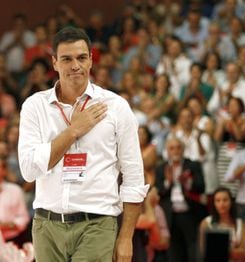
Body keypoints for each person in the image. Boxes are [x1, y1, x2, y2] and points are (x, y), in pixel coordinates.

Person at [18, 27, 148, 261]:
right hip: (46, 226)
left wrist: (126, 237)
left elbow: (134, 178)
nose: (75, 65)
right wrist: (73, 131)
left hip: (97, 224)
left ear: (90, 61)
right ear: (55, 62)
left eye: (81, 58)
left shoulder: (116, 107)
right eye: (67, 59)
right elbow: (28, 171)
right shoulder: (34, 106)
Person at [155, 136, 206, 262]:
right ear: (167, 151)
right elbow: (158, 191)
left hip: (190, 213)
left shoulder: (193, 165)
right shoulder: (161, 167)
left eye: (178, 147)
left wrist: (187, 182)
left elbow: (201, 187)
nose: (175, 151)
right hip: (170, 214)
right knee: (173, 251)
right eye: (172, 148)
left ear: (183, 150)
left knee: (193, 249)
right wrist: (168, 181)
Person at [199, 187, 245, 262]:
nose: (221, 204)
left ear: (231, 201)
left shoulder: (240, 224)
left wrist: (221, 249)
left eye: (225, 200)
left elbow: (243, 253)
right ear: (214, 203)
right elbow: (204, 251)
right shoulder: (206, 223)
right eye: (218, 200)